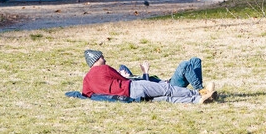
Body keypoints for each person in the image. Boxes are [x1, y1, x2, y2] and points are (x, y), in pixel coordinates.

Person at [81, 50, 216, 103]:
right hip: (133, 87)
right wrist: (142, 73)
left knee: (167, 98)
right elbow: (124, 80)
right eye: (102, 57)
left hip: (131, 96)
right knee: (168, 90)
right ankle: (200, 92)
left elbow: (86, 94)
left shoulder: (87, 80)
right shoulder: (104, 69)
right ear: (96, 60)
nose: (104, 60)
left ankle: (198, 100)